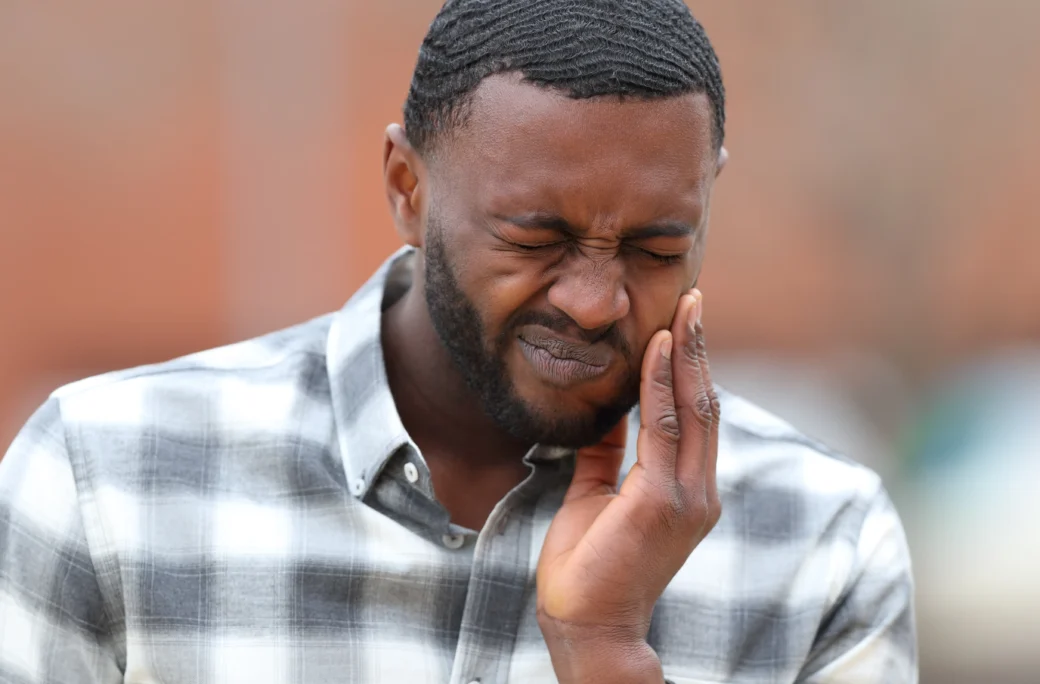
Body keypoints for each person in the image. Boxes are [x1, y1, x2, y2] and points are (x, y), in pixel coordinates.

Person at [0, 0, 915, 682]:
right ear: (407, 188)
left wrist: (603, 656)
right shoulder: (106, 481)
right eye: (535, 238)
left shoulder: (820, 541)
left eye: (654, 249)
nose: (596, 302)